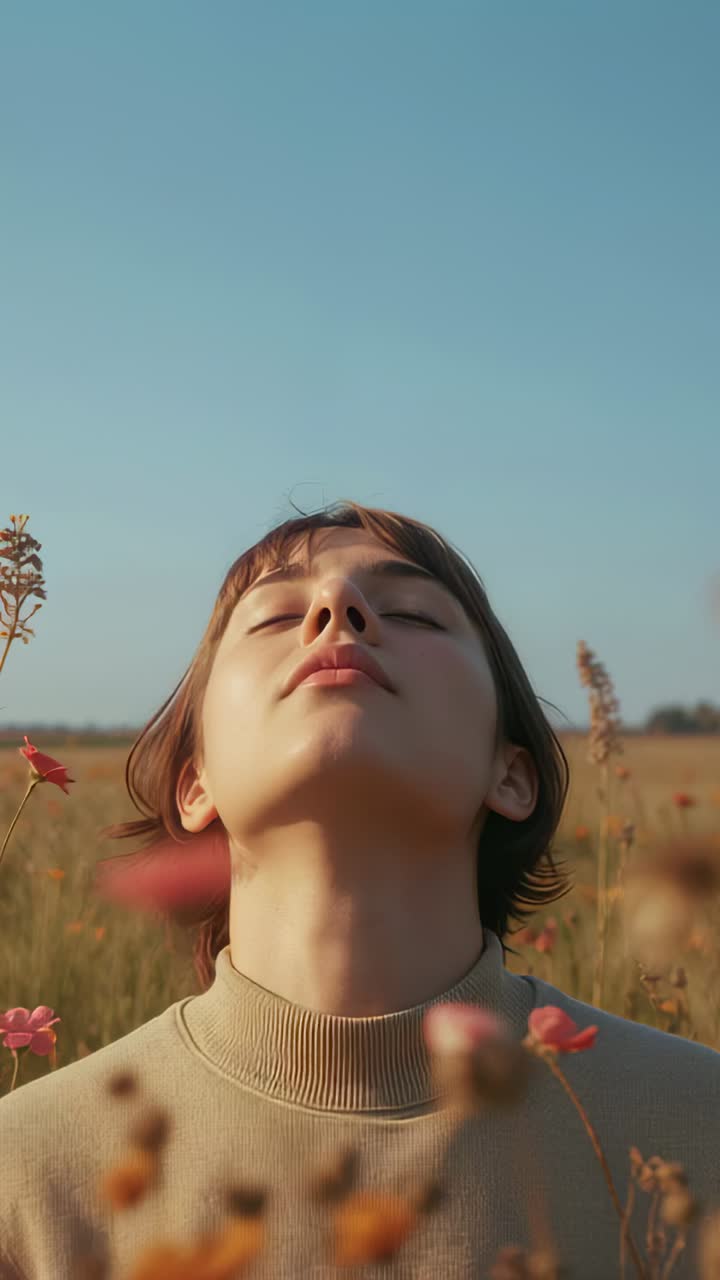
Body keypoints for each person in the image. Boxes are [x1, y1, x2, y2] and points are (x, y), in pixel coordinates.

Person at [0, 499, 718, 1280]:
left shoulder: (700, 1127)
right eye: (276, 615)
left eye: (411, 611)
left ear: (511, 773)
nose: (336, 611)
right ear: (194, 782)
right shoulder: (22, 1176)